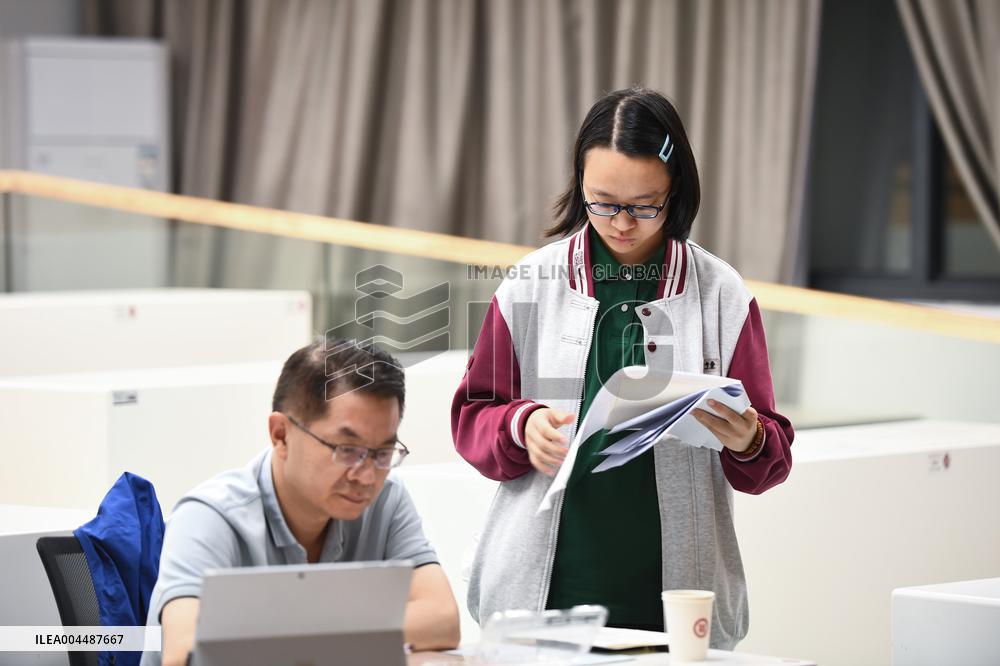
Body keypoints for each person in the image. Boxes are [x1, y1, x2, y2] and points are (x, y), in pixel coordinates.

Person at [451, 87, 793, 649]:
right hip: (547, 585)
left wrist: (751, 438)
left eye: (644, 204)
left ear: (676, 190)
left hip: (675, 593)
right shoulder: (529, 285)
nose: (622, 223)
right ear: (578, 187)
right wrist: (521, 426)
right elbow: (473, 418)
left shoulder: (722, 295)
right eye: (602, 201)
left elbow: (770, 457)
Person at [142, 339, 460, 666]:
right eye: (347, 450)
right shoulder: (209, 516)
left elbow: (442, 619)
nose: (366, 476)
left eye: (382, 453)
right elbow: (184, 655)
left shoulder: (386, 500)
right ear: (281, 434)